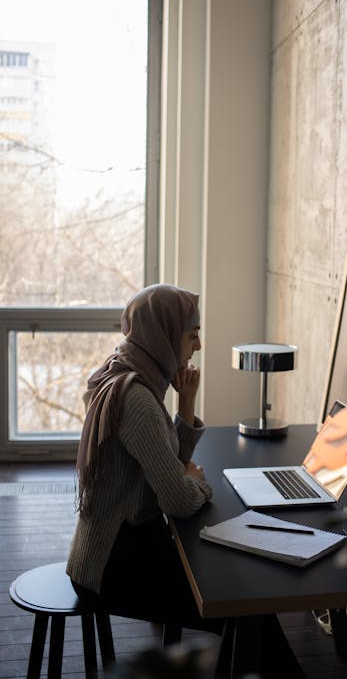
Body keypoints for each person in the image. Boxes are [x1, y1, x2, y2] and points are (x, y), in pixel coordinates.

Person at [67, 283, 305, 678]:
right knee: (245, 610)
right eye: (192, 334)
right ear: (163, 333)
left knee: (248, 611)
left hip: (116, 549)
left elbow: (166, 465)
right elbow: (177, 497)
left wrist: (188, 405)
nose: (198, 345)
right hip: (111, 567)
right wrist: (197, 483)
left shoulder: (128, 374)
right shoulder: (137, 399)